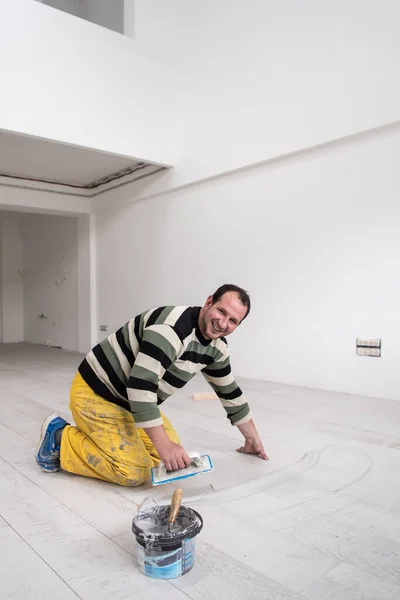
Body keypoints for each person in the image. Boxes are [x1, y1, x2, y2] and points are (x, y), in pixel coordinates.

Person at [35, 284, 268, 486]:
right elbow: (140, 387)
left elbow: (230, 393)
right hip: (98, 393)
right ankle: (59, 437)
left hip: (129, 404)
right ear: (208, 302)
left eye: (233, 321)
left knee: (164, 461)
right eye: (221, 311)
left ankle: (110, 440)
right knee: (132, 471)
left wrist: (252, 439)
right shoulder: (172, 330)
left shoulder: (216, 348)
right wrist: (164, 444)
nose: (223, 323)